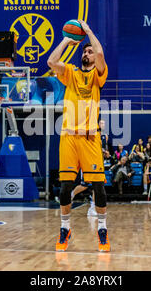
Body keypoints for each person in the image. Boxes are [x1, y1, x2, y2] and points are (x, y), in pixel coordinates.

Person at [47, 20, 110, 252]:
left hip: (90, 138)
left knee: (98, 187)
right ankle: (65, 229)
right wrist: (67, 39)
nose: (87, 52)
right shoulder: (71, 73)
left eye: (89, 51)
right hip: (69, 137)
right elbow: (52, 62)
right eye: (84, 50)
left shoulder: (98, 75)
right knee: (65, 188)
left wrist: (89, 31)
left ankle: (102, 230)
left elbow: (101, 52)